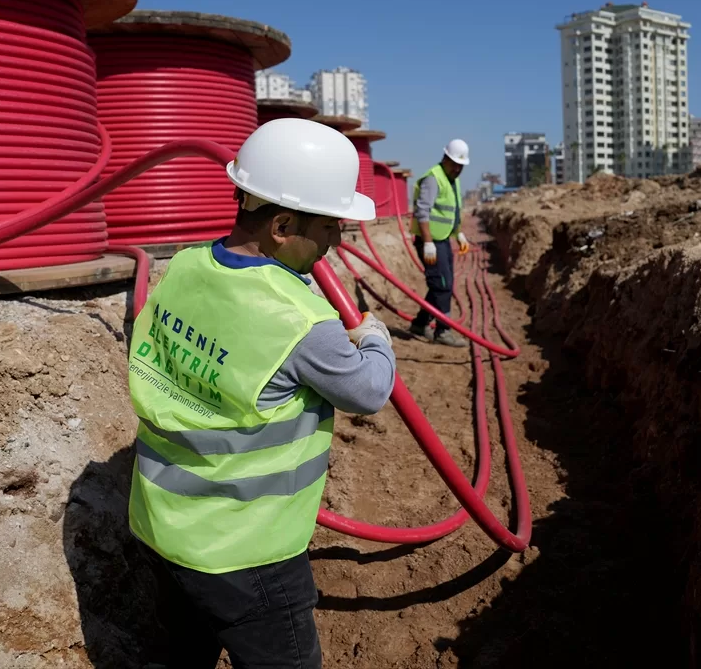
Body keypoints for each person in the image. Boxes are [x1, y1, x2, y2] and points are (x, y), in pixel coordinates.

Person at [127, 118, 396, 669]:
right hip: (248, 552)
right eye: (330, 226)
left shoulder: (184, 268)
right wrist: (375, 338)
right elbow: (368, 391)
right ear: (282, 224)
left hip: (163, 529)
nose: (336, 240)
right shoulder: (299, 319)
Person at [408, 138, 471, 347]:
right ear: (445, 158)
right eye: (455, 164)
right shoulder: (434, 178)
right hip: (431, 242)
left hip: (442, 240)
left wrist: (458, 234)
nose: (458, 169)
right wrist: (427, 242)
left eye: (461, 166)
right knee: (442, 285)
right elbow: (422, 211)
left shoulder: (452, 179)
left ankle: (420, 323)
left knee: (442, 284)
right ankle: (443, 331)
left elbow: (451, 211)